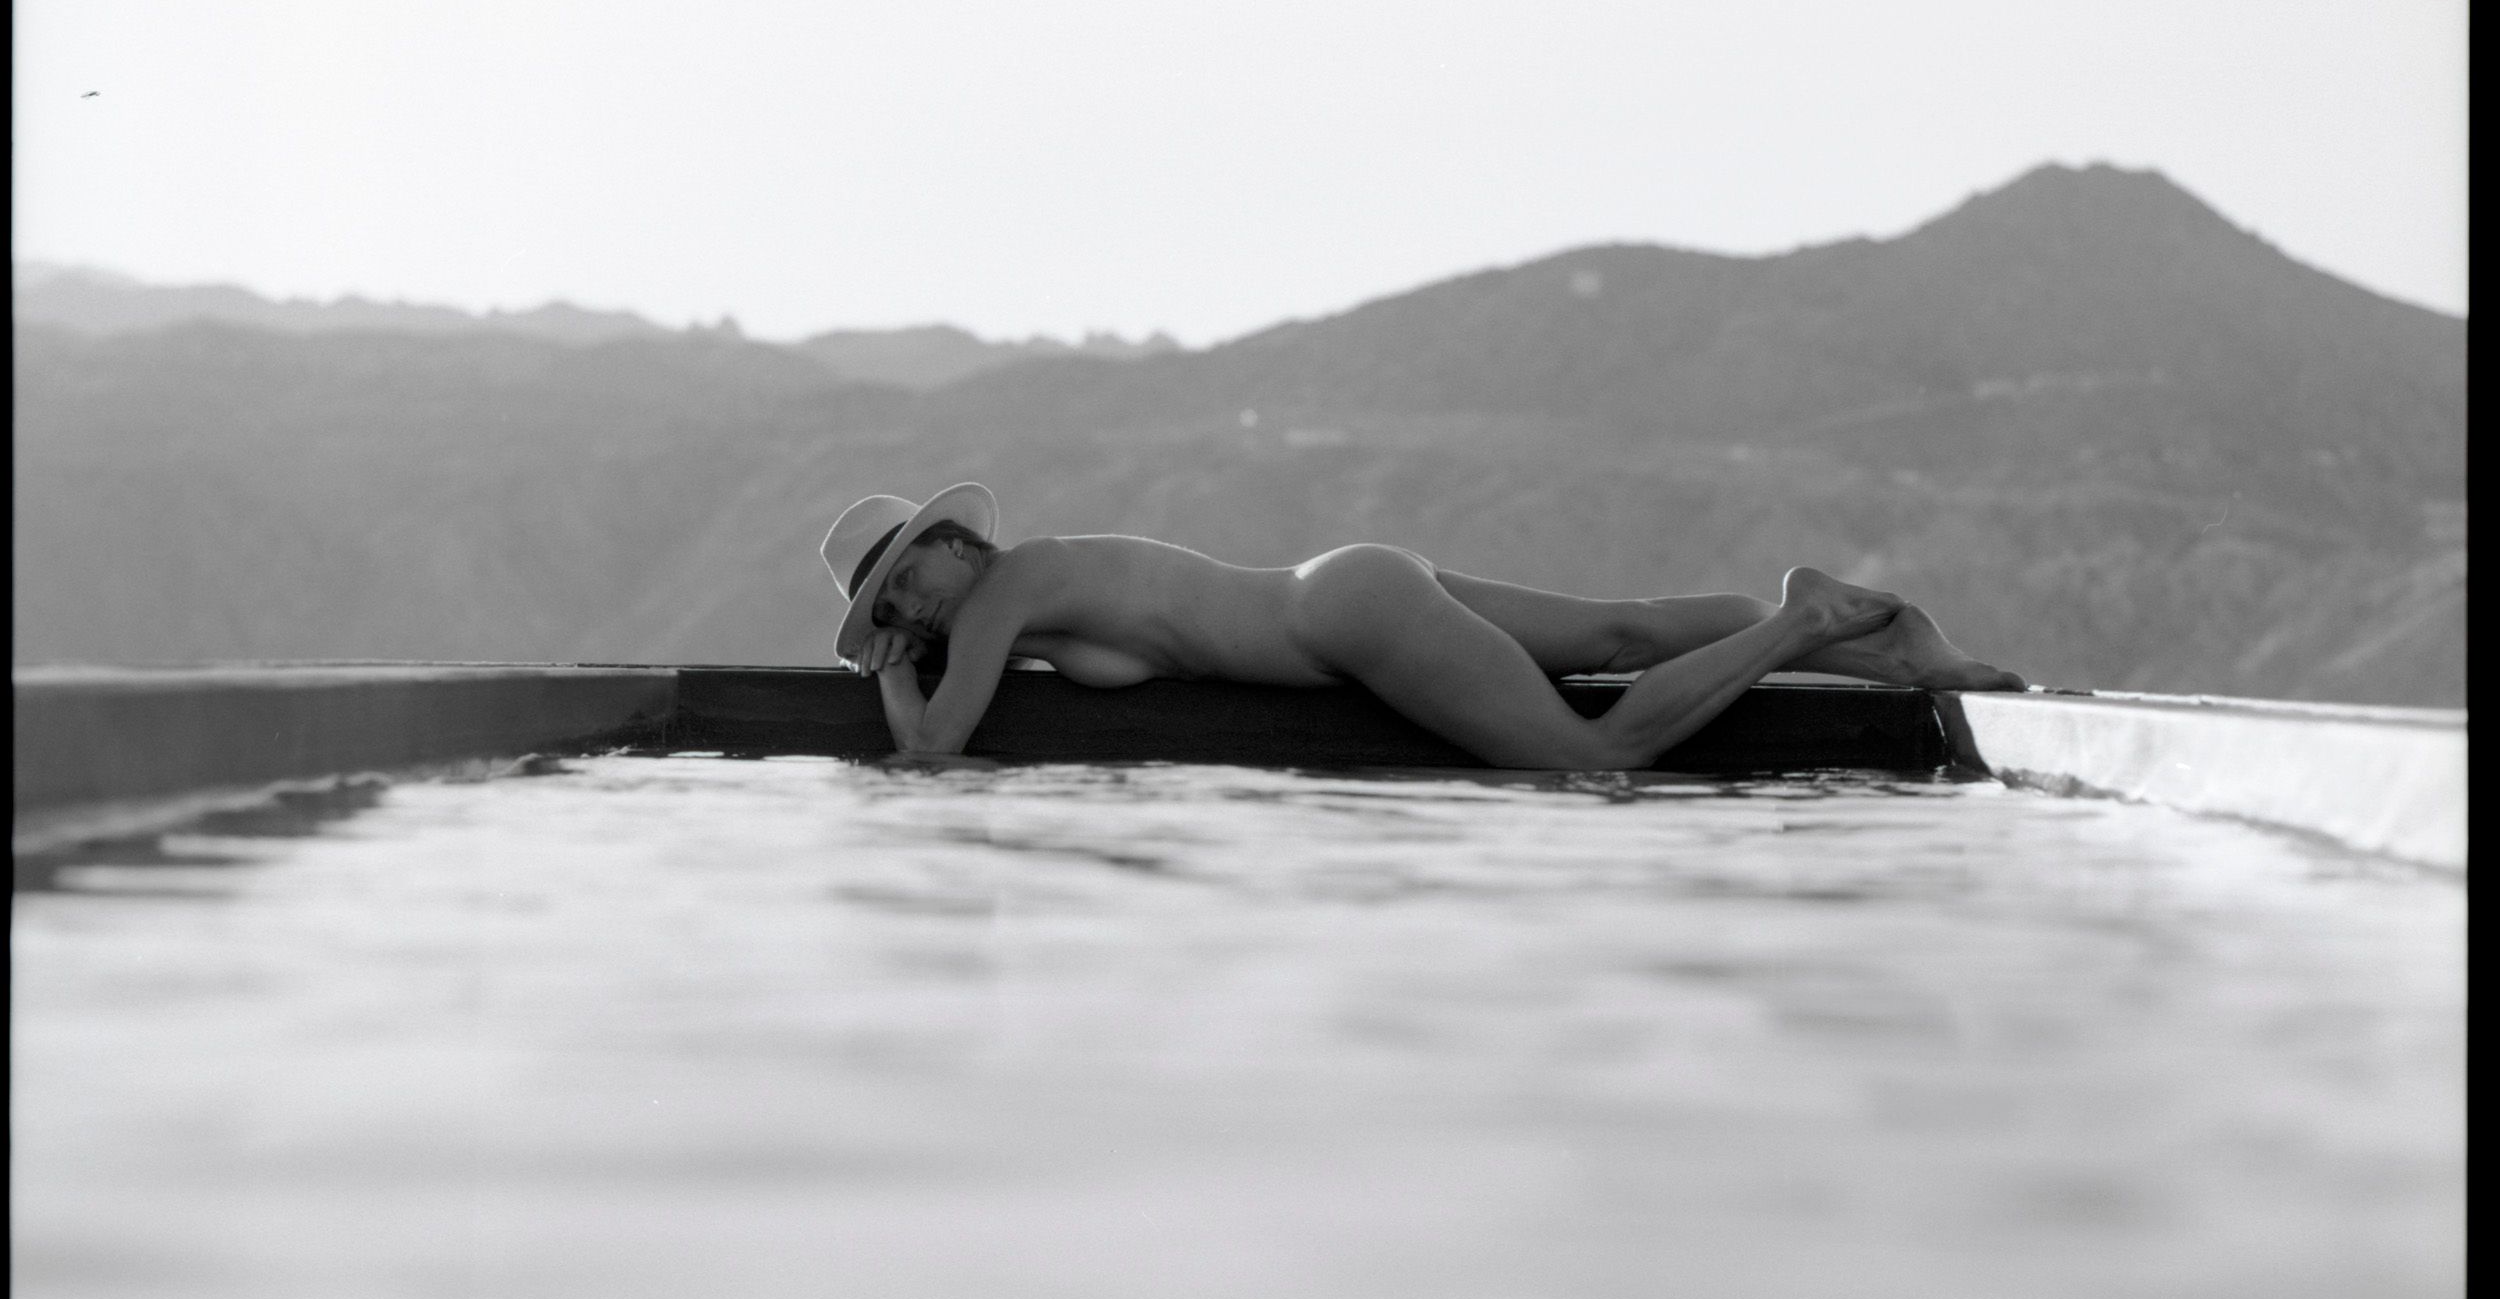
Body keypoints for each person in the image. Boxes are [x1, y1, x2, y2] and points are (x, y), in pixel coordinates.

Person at [822, 482, 2026, 771]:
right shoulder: (1035, 585)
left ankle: (1796, 621)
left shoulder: (1010, 587)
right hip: (1345, 580)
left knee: (1590, 754)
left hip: (1342, 613)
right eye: (889, 611)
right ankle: (1898, 647)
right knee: (1623, 630)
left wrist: (886, 672)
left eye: (903, 582)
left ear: (950, 541)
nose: (909, 608)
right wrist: (906, 645)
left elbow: (932, 757)